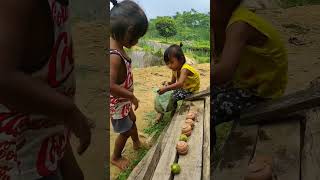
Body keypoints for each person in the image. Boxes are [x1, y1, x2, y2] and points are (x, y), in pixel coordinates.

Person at [0, 0, 92, 179]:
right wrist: (69, 113)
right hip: (16, 168)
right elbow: (3, 78)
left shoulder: (57, 7)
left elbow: (43, 90)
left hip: (43, 155)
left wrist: (64, 157)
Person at [211, 0, 288, 147]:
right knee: (209, 95)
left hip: (261, 92)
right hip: (247, 81)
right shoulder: (219, 24)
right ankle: (209, 145)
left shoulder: (240, 25)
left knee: (209, 109)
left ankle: (207, 149)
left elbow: (224, 71)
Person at [109, 0, 148, 170]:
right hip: (118, 105)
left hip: (123, 101)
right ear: (130, 32)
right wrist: (130, 96)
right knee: (124, 131)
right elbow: (108, 85)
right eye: (137, 37)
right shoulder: (114, 57)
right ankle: (116, 157)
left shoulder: (118, 48)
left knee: (132, 119)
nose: (137, 41)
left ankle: (137, 143)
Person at [157, 43, 201, 122]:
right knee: (167, 95)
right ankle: (168, 111)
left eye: (171, 62)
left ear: (180, 59)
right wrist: (167, 83)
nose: (169, 66)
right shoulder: (174, 69)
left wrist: (166, 89)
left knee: (173, 96)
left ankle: (173, 112)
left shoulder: (185, 69)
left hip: (191, 91)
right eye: (167, 63)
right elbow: (173, 82)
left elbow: (179, 83)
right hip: (184, 89)